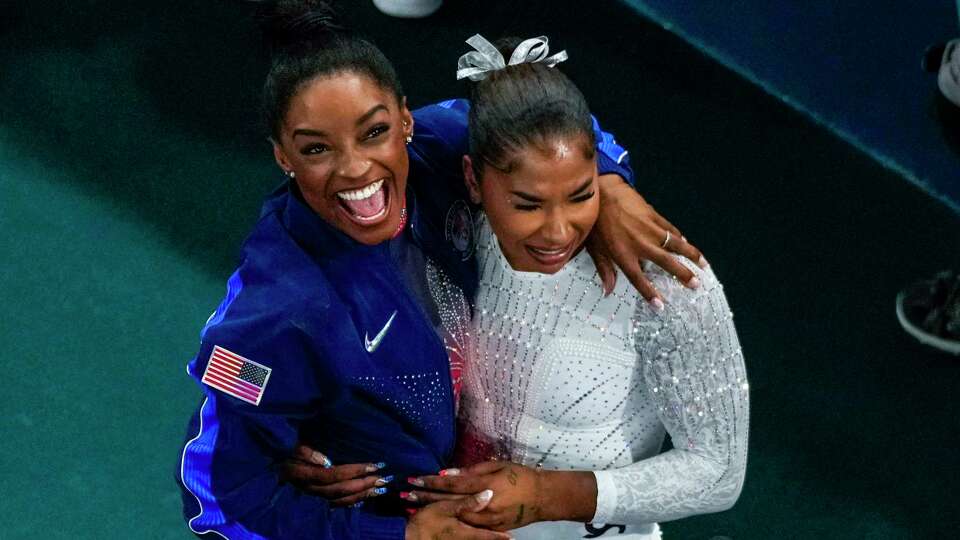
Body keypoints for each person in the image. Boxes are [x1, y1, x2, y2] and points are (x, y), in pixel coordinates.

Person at [177, 2, 705, 539]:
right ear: (283, 157)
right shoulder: (276, 316)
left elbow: (547, 124)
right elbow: (216, 496)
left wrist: (610, 182)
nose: (356, 168)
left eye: (374, 132)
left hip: (503, 473)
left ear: (405, 119)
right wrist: (400, 537)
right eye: (316, 148)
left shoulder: (444, 143)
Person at [288, 34, 749, 539]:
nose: (557, 231)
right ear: (472, 180)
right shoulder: (449, 229)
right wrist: (312, 441)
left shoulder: (665, 281)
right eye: (527, 204)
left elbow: (718, 471)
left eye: (581, 195)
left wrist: (550, 496)